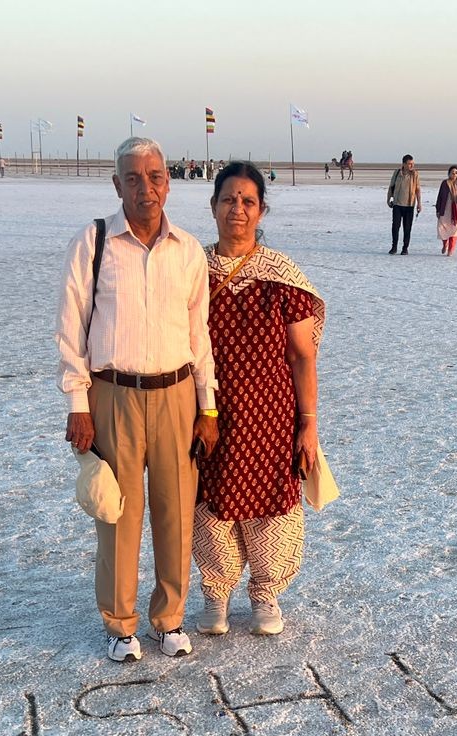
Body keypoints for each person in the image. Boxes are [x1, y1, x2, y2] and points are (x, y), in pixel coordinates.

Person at [56, 137, 218, 663]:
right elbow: (71, 328)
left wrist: (208, 407)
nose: (145, 188)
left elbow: (199, 335)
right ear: (117, 185)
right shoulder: (94, 241)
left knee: (175, 513)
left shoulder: (188, 250)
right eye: (133, 178)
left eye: (155, 176)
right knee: (117, 515)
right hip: (113, 395)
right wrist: (78, 403)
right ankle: (120, 624)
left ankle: (169, 619)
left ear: (168, 182)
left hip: (177, 397)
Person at [194, 162, 324, 638]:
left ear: (261, 210)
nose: (238, 209)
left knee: (270, 502)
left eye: (248, 201)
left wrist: (308, 422)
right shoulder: (191, 271)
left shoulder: (281, 277)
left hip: (270, 413)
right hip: (208, 409)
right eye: (229, 199)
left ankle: (266, 593)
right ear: (213, 206)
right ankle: (215, 593)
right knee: (211, 500)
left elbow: (302, 355)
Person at [387, 155, 421, 254]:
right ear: (404, 164)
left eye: (412, 164)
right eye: (409, 164)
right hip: (397, 204)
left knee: (407, 228)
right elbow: (391, 186)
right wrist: (388, 199)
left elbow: (418, 189)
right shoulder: (397, 173)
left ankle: (405, 248)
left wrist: (419, 203)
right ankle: (394, 247)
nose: (412, 166)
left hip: (409, 205)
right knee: (395, 227)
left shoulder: (415, 174)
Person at [436, 166, 457, 255]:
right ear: (449, 174)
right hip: (445, 210)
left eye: (456, 173)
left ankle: (450, 249)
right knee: (443, 229)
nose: (454, 174)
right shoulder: (444, 183)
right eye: (453, 173)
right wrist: (438, 210)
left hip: (456, 211)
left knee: (454, 230)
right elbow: (440, 197)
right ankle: (445, 244)